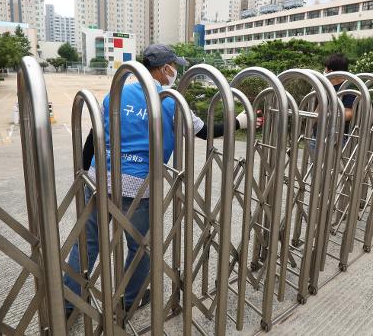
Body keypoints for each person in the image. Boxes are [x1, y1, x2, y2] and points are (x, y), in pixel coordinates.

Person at [64, 44, 258, 318]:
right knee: (140, 246)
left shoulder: (115, 94)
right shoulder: (170, 100)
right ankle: (130, 300)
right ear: (164, 68)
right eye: (173, 66)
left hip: (100, 179)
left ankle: (68, 303)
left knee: (88, 242)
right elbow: (205, 133)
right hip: (138, 186)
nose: (175, 71)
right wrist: (238, 121)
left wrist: (84, 174)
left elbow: (93, 137)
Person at [323, 53, 355, 134]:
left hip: (338, 136)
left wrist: (327, 115)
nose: (324, 71)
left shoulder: (349, 89)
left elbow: (349, 114)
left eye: (325, 68)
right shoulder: (325, 87)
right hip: (319, 133)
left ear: (330, 71)